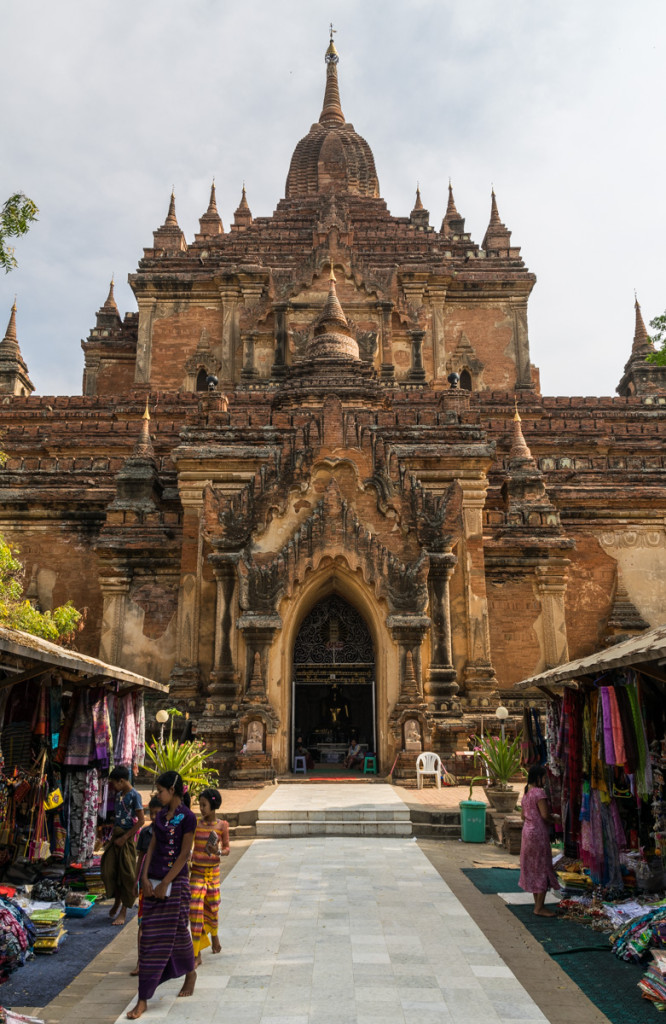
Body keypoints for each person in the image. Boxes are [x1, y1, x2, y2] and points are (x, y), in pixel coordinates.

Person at [127, 771, 197, 1020]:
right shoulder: (160, 817)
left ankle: (190, 973)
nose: (157, 795)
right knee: (148, 937)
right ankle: (143, 998)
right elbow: (151, 847)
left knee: (178, 932)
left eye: (161, 790)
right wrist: (144, 879)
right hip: (153, 881)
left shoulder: (187, 818)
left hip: (175, 883)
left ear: (174, 791)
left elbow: (184, 855)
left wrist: (165, 882)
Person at [190, 788, 230, 965]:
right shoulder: (196, 825)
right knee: (195, 911)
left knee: (213, 907)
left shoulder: (222, 826)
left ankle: (214, 935)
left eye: (204, 805)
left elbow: (227, 849)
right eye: (200, 805)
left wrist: (218, 851)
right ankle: (196, 952)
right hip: (197, 872)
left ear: (213, 806)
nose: (201, 808)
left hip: (213, 873)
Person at [101, 766, 144, 926]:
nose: (113, 787)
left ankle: (124, 910)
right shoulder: (119, 795)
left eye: (114, 783)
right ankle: (117, 901)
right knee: (109, 870)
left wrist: (125, 838)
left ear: (122, 780)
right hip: (116, 837)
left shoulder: (135, 796)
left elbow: (141, 821)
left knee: (127, 875)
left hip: (127, 839)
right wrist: (112, 838)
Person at [519, 765, 561, 917]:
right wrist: (555, 818)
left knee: (533, 866)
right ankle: (539, 907)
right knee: (542, 867)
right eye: (544, 777)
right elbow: (545, 815)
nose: (545, 781)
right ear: (538, 777)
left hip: (527, 833)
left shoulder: (526, 794)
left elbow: (522, 816)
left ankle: (538, 904)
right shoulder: (539, 793)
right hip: (538, 834)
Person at [130, 796, 162, 977]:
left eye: (159, 813)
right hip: (145, 883)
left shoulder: (169, 833)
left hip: (161, 884)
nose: (155, 817)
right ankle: (140, 961)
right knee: (143, 924)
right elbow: (140, 858)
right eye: (153, 813)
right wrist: (136, 881)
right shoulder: (145, 834)